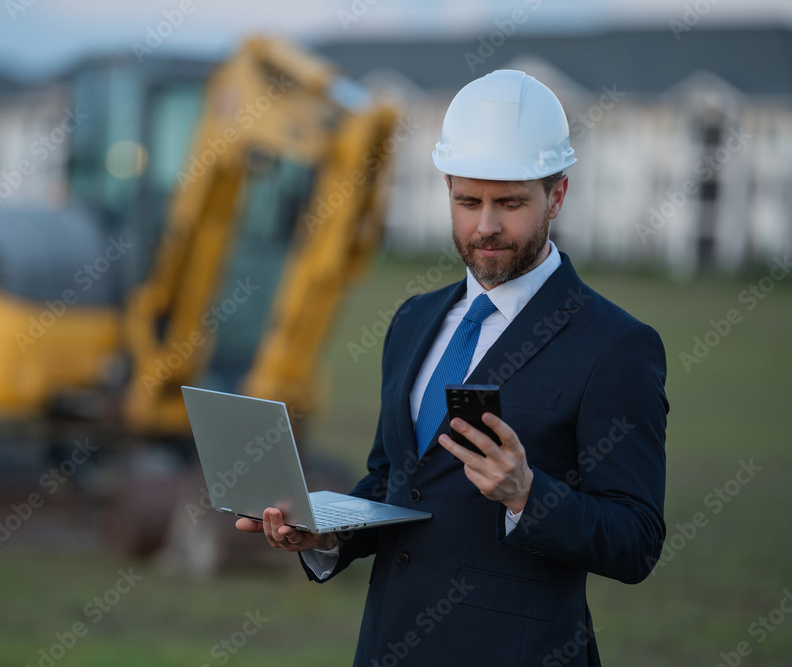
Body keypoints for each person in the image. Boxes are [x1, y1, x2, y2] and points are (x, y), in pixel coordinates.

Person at [236, 69, 667, 666]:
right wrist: (326, 530)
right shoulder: (414, 320)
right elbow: (395, 482)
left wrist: (528, 495)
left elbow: (636, 541)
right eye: (468, 202)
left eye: (510, 203)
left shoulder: (616, 345)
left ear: (557, 196)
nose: (485, 226)